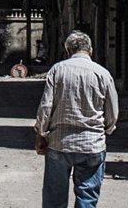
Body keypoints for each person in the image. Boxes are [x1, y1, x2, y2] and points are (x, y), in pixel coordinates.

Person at [33, 30, 119, 208]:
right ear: (91, 50)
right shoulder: (103, 74)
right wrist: (106, 130)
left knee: (54, 200)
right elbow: (112, 112)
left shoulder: (58, 70)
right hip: (92, 145)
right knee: (87, 198)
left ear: (67, 50)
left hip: (59, 144)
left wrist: (41, 133)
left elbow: (46, 106)